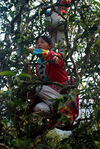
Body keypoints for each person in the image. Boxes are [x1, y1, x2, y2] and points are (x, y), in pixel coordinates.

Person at [26, 35, 79, 128]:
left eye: (42, 42)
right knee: (37, 108)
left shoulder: (55, 56)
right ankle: (57, 116)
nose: (39, 44)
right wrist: (29, 73)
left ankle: (64, 110)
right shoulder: (38, 65)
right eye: (37, 43)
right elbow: (40, 81)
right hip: (51, 96)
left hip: (63, 93)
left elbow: (52, 58)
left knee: (39, 88)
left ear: (50, 46)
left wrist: (35, 51)